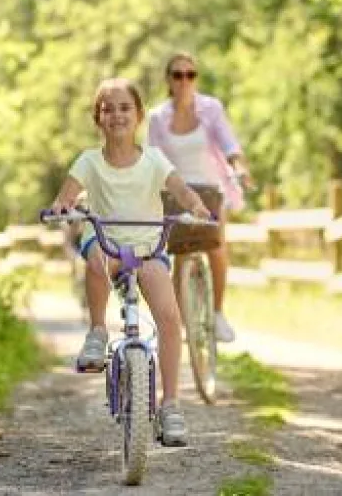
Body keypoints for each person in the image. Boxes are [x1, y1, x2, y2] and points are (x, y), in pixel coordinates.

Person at [49, 77, 213, 447]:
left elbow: (181, 190)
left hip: (148, 249)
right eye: (108, 109)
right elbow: (69, 194)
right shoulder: (89, 161)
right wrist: (62, 206)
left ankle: (170, 405)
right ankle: (97, 332)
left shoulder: (153, 160)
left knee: (170, 319)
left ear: (139, 115)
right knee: (95, 261)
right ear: (98, 118)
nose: (117, 115)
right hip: (107, 243)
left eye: (125, 108)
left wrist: (196, 207)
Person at [147, 53, 254, 343]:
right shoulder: (157, 117)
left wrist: (240, 169)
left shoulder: (211, 109)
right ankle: (178, 325)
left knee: (216, 247)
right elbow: (152, 157)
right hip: (177, 192)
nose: (184, 80)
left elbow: (229, 145)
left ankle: (217, 314)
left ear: (196, 78)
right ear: (169, 80)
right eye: (178, 75)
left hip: (211, 190)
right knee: (180, 254)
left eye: (190, 74)